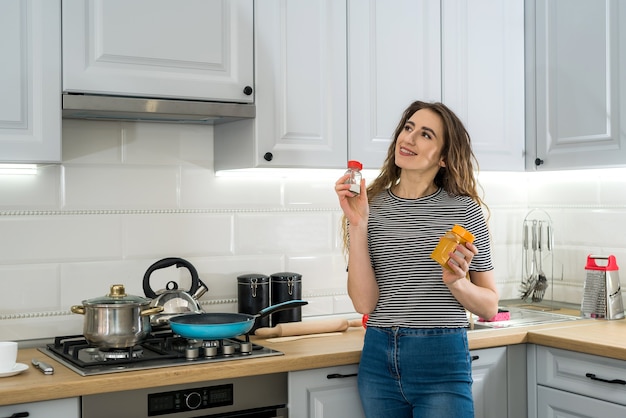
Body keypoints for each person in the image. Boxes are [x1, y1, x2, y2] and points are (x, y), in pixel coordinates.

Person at [334, 100, 498, 418]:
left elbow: (489, 307)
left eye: (425, 135)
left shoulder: (463, 211)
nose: (409, 139)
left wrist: (457, 283)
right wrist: (358, 225)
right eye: (408, 128)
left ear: (445, 158)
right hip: (378, 357)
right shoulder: (372, 206)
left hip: (441, 358)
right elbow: (364, 304)